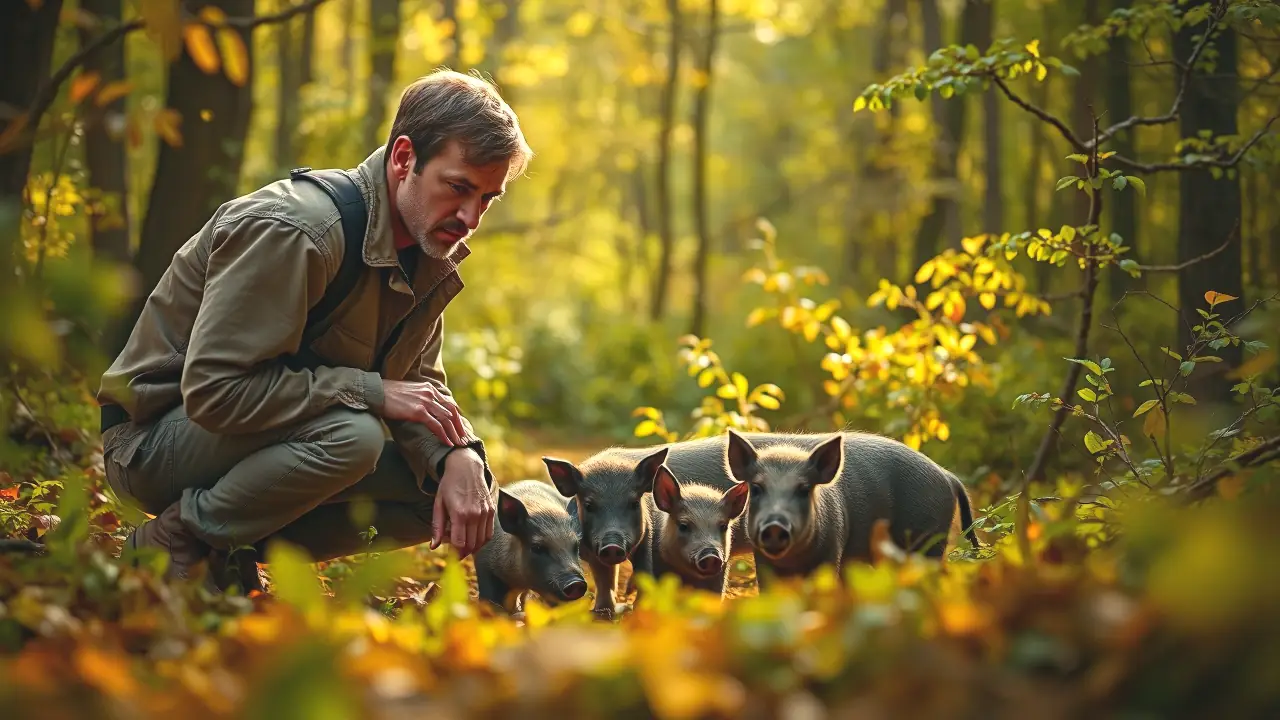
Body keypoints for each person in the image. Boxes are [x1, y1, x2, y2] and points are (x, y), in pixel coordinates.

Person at [96, 69, 533, 593]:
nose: (470, 217)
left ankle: (226, 550)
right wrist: (371, 392)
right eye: (459, 187)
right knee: (354, 436)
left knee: (450, 491)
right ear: (403, 158)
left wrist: (460, 455)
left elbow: (419, 384)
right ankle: (177, 540)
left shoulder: (425, 249)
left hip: (254, 436)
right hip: (151, 442)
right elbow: (214, 393)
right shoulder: (299, 231)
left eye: (487, 198)